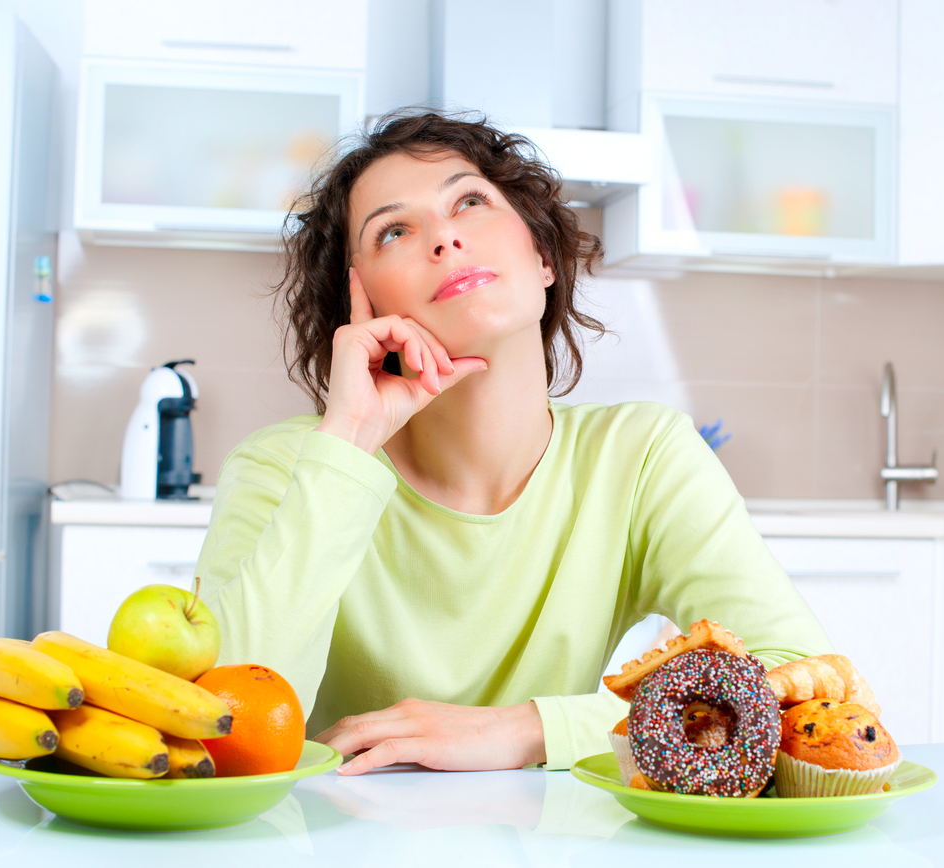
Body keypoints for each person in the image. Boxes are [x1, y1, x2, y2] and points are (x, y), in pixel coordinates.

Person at [194, 110, 833, 776]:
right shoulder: (287, 468)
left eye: (468, 201)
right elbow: (217, 730)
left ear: (544, 256)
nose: (443, 237)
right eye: (393, 231)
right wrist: (348, 445)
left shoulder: (640, 456)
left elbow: (807, 684)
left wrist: (533, 730)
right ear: (361, 306)